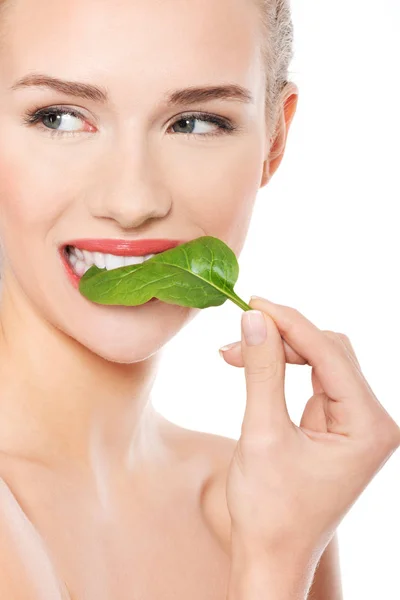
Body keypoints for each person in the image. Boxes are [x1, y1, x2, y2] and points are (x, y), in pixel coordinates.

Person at [0, 0, 399, 599]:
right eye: (58, 117)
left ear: (275, 138)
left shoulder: (270, 503)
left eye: (195, 123)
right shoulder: (275, 521)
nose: (132, 201)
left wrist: (282, 550)